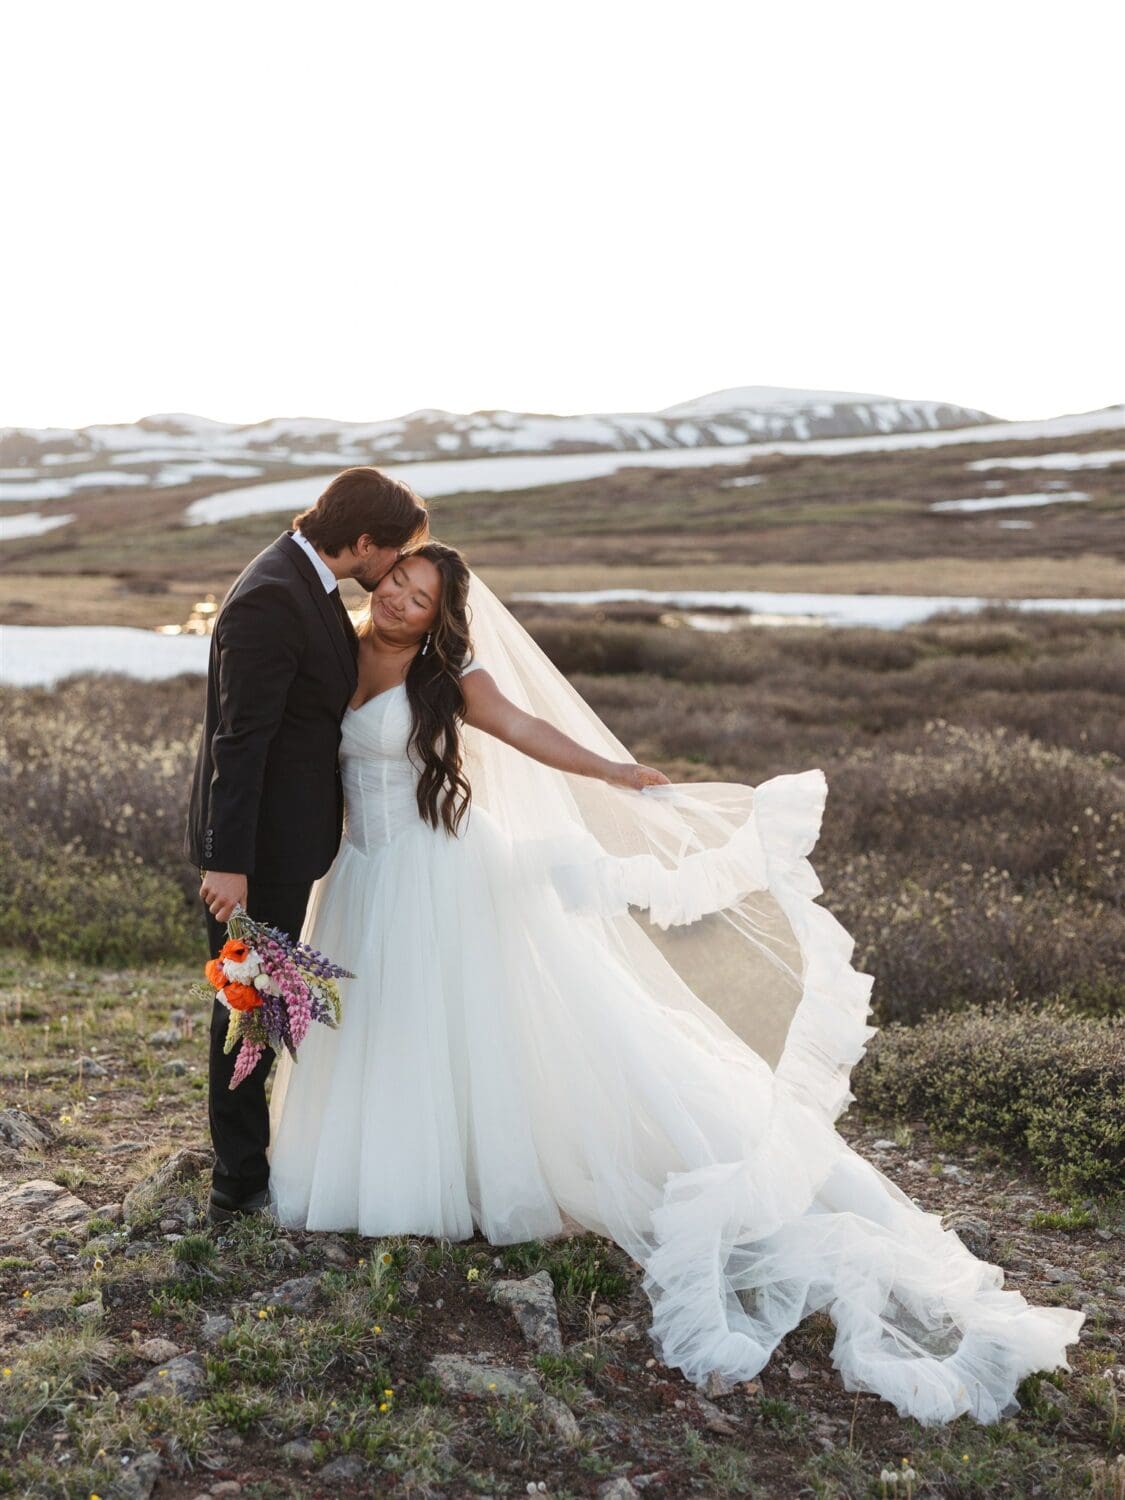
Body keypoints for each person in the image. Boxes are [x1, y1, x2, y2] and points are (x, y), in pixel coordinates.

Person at [266, 540, 1085, 1427]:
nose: (398, 600)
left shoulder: (448, 676)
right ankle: (377, 1160)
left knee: (465, 1020)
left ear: (439, 614)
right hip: (357, 873)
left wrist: (612, 770)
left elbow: (526, 733)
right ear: (376, 577)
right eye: (395, 581)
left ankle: (465, 1170)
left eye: (419, 596)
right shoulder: (333, 646)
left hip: (438, 869)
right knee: (381, 1019)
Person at [184, 466, 428, 1224]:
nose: (391, 572)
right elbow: (240, 739)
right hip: (255, 854)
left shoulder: (304, 579)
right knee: (246, 1007)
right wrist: (228, 859)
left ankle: (257, 1155)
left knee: (269, 1004)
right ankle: (239, 1181)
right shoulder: (272, 595)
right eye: (392, 556)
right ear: (362, 543)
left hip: (287, 847)